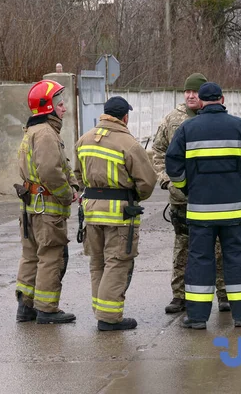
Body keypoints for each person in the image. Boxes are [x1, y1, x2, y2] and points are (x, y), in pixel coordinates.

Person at [165, 82, 241, 329]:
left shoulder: (188, 128)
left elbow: (172, 165)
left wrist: (188, 188)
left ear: (200, 100)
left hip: (200, 211)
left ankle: (198, 318)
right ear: (222, 99)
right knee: (237, 258)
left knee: (200, 259)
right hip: (234, 210)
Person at [74, 96, 157, 331]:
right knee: (117, 262)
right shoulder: (128, 143)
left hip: (90, 212)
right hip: (120, 216)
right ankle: (109, 318)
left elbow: (78, 176)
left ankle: (101, 311)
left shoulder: (84, 139)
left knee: (97, 262)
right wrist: (134, 195)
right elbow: (147, 181)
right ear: (125, 117)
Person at [152, 73, 230, 314]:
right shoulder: (172, 120)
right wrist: (168, 182)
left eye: (195, 92)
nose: (190, 95)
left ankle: (224, 294)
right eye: (186, 91)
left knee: (219, 248)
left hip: (213, 199)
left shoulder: (220, 119)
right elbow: (158, 153)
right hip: (182, 201)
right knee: (183, 248)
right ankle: (180, 295)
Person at [15, 79, 79, 324]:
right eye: (60, 104)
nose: (64, 108)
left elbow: (59, 166)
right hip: (47, 210)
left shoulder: (32, 131)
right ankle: (47, 309)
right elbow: (51, 171)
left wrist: (72, 183)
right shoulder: (46, 134)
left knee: (30, 256)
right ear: (47, 108)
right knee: (51, 256)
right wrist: (66, 194)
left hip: (31, 207)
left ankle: (26, 307)